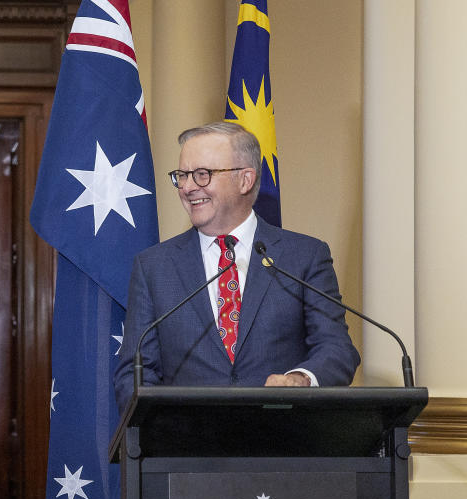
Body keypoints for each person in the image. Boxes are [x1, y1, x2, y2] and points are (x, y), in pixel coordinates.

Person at [114, 121, 359, 407]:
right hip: (188, 445)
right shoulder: (154, 267)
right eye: (182, 175)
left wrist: (301, 380)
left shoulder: (303, 256)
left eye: (202, 174)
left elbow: (337, 349)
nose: (188, 187)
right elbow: (135, 371)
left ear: (245, 180)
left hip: (282, 440)